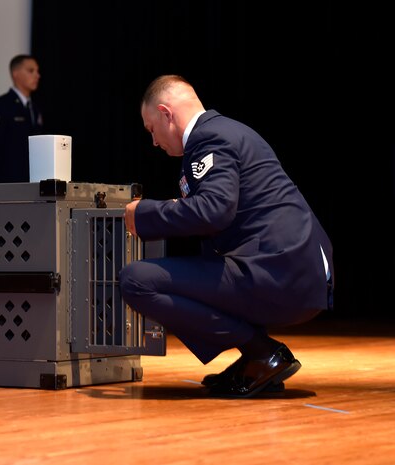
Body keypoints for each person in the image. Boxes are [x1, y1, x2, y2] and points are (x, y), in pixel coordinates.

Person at [119, 75, 334, 398]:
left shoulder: (210, 138)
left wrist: (144, 213)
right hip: (295, 270)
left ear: (166, 113)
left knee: (136, 280)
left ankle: (262, 352)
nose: (153, 142)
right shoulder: (227, 131)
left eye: (151, 129)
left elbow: (214, 210)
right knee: (205, 265)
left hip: (281, 272)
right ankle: (254, 356)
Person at [0, 54, 44, 183]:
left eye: (37, 71)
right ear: (16, 74)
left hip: (33, 187)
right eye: (31, 71)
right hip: (8, 186)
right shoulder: (1, 105)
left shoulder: (35, 109)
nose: (37, 75)